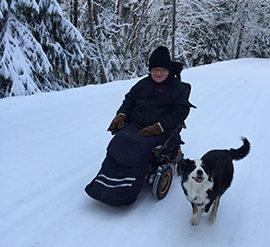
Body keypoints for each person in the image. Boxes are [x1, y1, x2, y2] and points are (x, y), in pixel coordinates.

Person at [85, 46, 190, 206]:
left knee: (140, 147)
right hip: (136, 126)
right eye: (155, 70)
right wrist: (122, 115)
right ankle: (106, 182)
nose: (158, 73)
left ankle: (125, 189)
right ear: (150, 70)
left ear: (168, 69)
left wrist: (160, 126)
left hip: (159, 130)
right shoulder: (142, 84)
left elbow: (181, 111)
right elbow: (129, 100)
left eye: (162, 70)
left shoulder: (177, 88)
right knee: (118, 141)